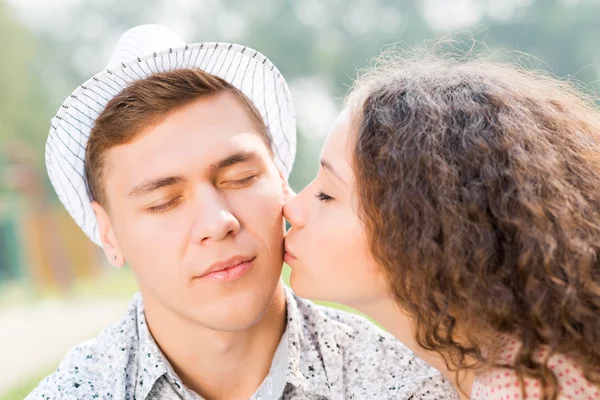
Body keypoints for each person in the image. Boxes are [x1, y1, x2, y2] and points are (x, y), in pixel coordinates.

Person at [27, 25, 456, 400]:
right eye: (163, 202)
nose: (217, 223)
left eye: (240, 178)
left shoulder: (411, 385)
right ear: (109, 235)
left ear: (282, 181)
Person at [284, 45, 600, 400]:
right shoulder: (517, 368)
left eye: (327, 194)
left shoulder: (529, 390)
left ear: (417, 228)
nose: (292, 207)